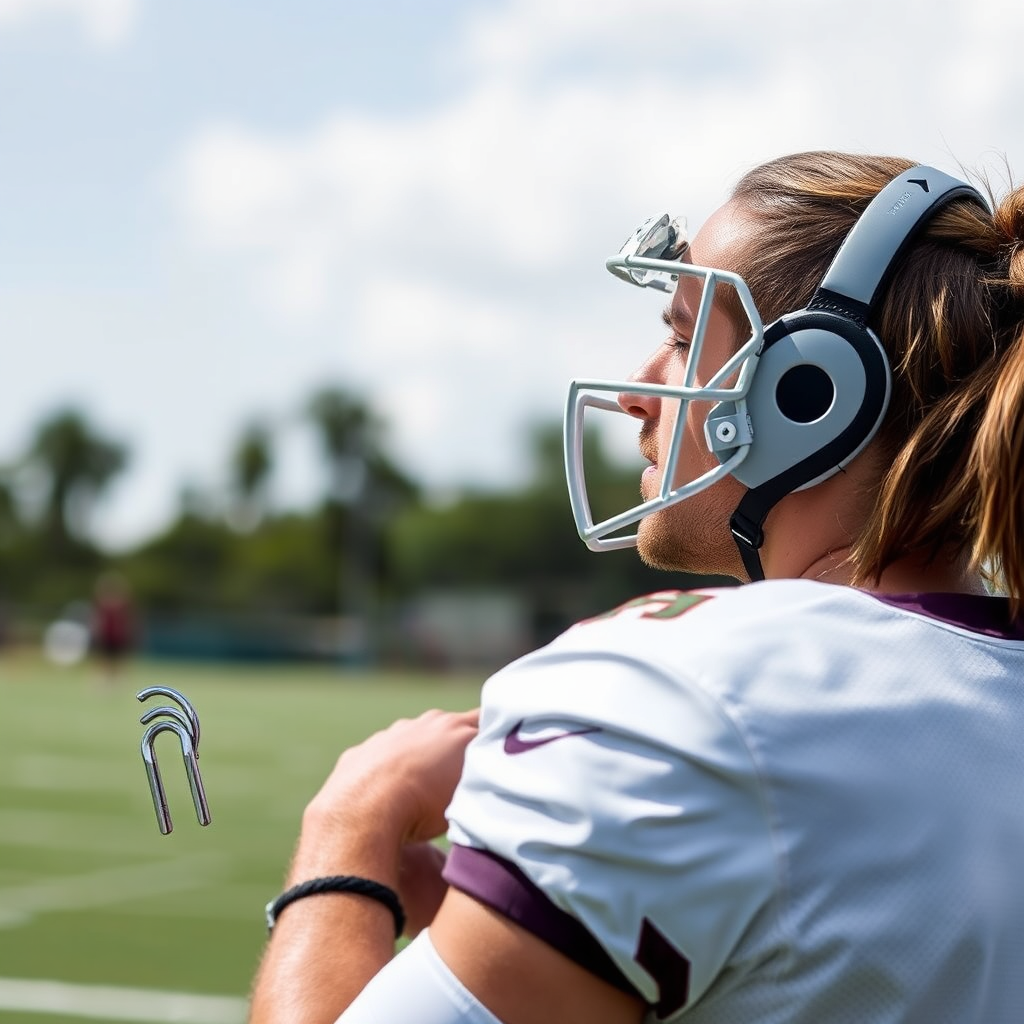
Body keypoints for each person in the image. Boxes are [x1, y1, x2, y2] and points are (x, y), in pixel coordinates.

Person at [248, 151, 1024, 1024]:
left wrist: (350, 829)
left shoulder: (688, 696)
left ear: (813, 393)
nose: (643, 386)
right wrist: (538, 932)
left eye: (683, 335)